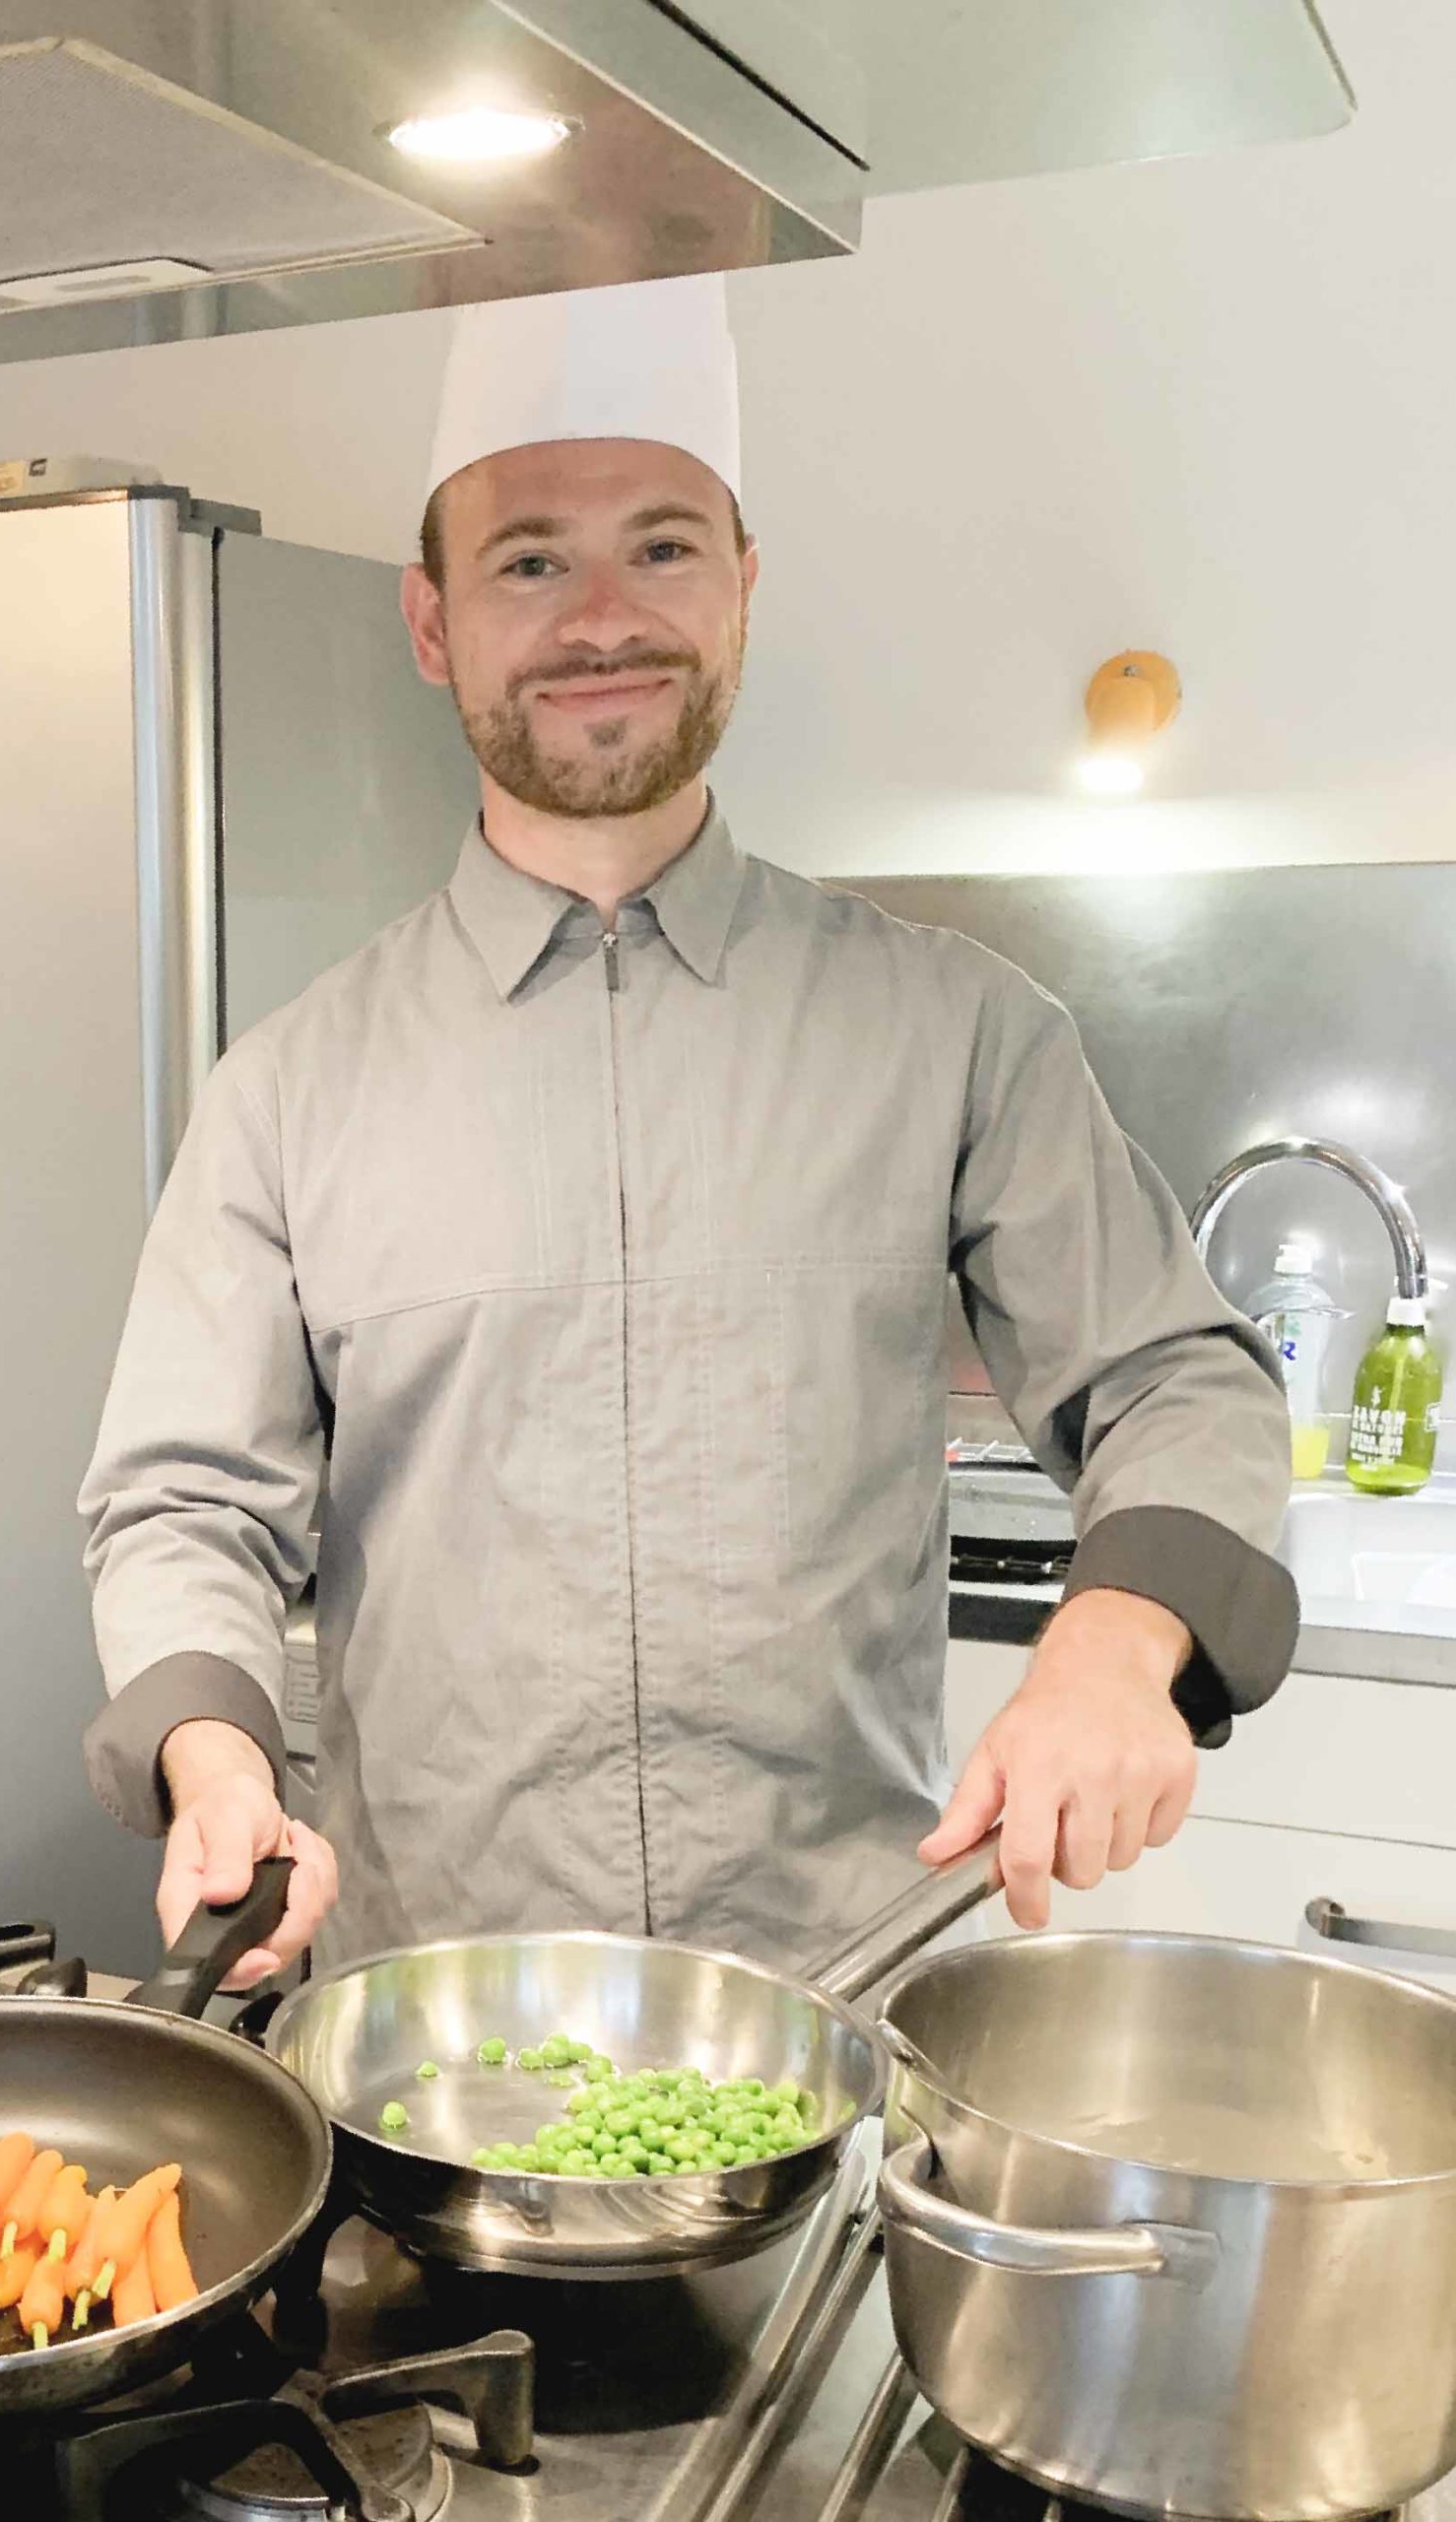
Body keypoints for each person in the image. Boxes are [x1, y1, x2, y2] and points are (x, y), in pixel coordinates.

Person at [79, 276, 1294, 1990]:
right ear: (432, 625)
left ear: (739, 588)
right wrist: (216, 1757)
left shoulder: (951, 1027)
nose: (599, 617)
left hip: (826, 1993)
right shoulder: (287, 1086)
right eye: (526, 561)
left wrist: (1113, 1640)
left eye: (660, 548)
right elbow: (182, 1498)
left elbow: (1179, 1376)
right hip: (431, 2009)